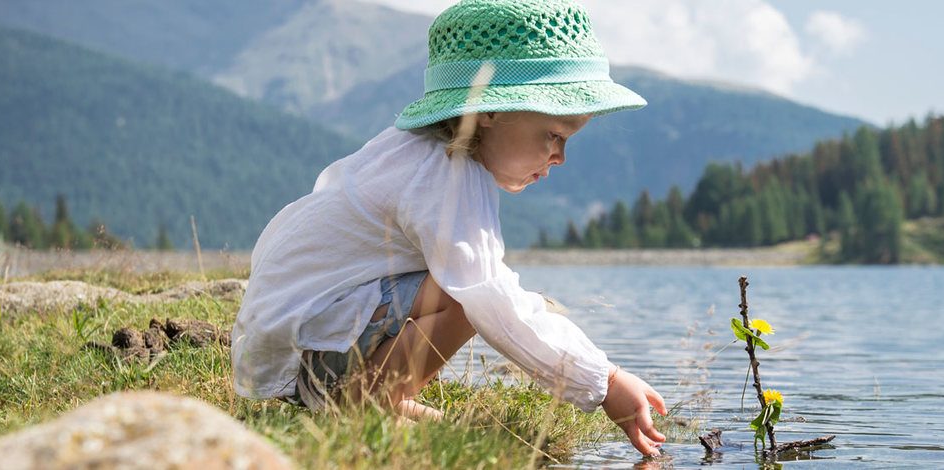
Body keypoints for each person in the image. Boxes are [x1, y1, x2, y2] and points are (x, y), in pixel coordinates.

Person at [231, 0, 669, 458]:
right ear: (491, 112)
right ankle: (362, 404)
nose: (559, 157)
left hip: (290, 341)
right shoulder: (445, 174)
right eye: (554, 135)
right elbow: (489, 299)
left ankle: (377, 398)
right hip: (300, 350)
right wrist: (606, 383)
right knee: (467, 297)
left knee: (488, 295)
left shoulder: (420, 153)